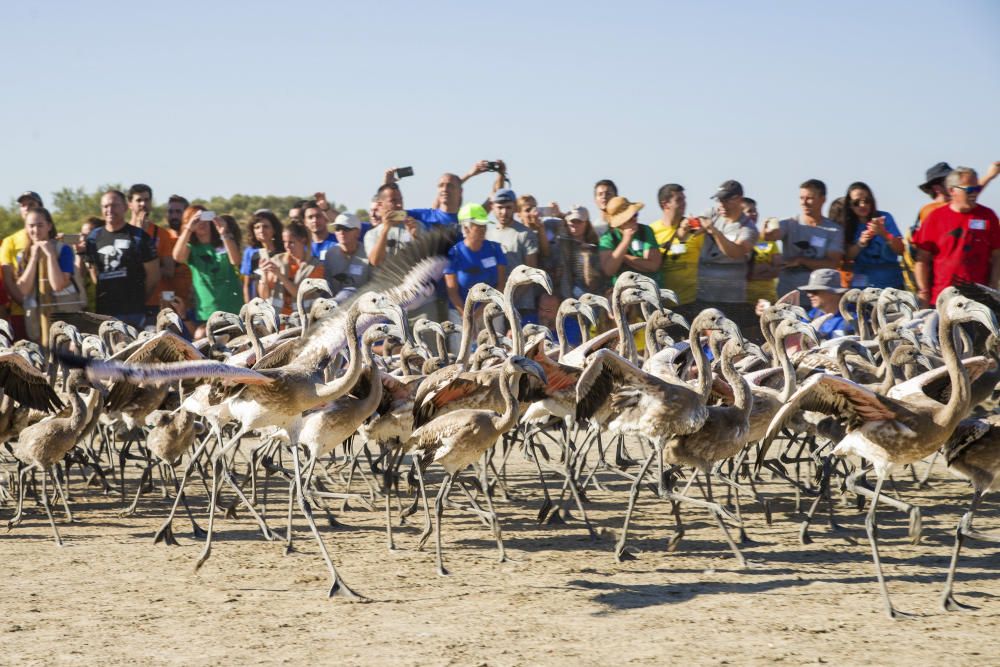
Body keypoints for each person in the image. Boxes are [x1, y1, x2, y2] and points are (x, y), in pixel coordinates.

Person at [912, 167, 1000, 307]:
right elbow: (922, 259)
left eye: (977, 189)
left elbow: (997, 256)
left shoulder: (988, 216)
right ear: (952, 190)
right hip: (943, 298)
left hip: (979, 299)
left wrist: (993, 286)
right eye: (969, 190)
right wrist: (923, 291)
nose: (975, 194)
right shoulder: (935, 217)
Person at [84, 190, 159, 327]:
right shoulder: (93, 238)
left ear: (125, 207)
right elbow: (94, 273)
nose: (109, 210)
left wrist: (138, 298)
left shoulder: (139, 236)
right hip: (105, 312)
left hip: (133, 312)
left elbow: (153, 276)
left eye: (114, 205)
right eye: (105, 206)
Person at [763, 179, 844, 303]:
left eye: (809, 198)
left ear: (822, 199)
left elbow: (832, 263)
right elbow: (772, 235)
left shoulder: (833, 230)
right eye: (801, 198)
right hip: (788, 294)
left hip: (818, 299)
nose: (804, 203)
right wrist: (766, 233)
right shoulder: (790, 223)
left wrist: (801, 261)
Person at [3, 207, 77, 341]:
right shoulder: (23, 255)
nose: (35, 230)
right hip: (37, 323)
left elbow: (58, 285)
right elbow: (23, 290)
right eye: (31, 226)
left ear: (49, 226)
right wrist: (33, 258)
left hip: (64, 320)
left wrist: (50, 256)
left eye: (40, 225)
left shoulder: (64, 249)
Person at [172, 207, 242, 337]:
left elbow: (235, 260)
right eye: (197, 220)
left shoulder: (225, 241)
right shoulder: (191, 248)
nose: (201, 223)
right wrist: (188, 229)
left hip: (232, 308)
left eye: (204, 218)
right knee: (205, 341)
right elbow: (177, 257)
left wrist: (223, 232)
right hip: (206, 310)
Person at [443, 204, 507, 331]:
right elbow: (452, 292)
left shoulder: (495, 249)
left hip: (491, 310)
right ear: (466, 228)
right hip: (460, 313)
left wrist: (479, 313)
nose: (483, 229)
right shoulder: (453, 253)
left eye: (484, 225)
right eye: (479, 226)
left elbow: (501, 285)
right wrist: (468, 317)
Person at [696, 180, 758, 305]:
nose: (722, 205)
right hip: (704, 295)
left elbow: (735, 253)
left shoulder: (748, 228)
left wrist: (715, 232)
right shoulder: (713, 214)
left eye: (726, 200)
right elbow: (691, 231)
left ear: (739, 199)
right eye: (719, 200)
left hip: (731, 299)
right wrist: (688, 227)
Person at [127, 183, 178, 320]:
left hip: (155, 303)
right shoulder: (122, 234)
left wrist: (151, 269)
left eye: (147, 200)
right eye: (138, 200)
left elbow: (169, 270)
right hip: (127, 302)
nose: (143, 203)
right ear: (130, 204)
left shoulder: (162, 234)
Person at [841, 182, 904, 289]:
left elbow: (901, 250)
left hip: (891, 284)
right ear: (850, 205)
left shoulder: (885, 218)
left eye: (866, 201)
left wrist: (884, 233)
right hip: (862, 287)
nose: (862, 205)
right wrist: (860, 243)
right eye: (856, 203)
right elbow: (845, 257)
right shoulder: (848, 224)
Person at [487, 188, 540, 316]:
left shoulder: (525, 234)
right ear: (492, 207)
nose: (504, 212)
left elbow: (531, 273)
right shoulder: (488, 234)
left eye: (508, 207)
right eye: (499, 207)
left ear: (515, 208)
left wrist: (510, 300)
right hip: (496, 306)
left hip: (522, 306)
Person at [649, 183, 702, 308]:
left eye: (684, 199)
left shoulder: (694, 228)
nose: (684, 203)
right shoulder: (651, 230)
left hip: (690, 302)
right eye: (679, 200)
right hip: (661, 304)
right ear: (665, 204)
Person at [0, 191, 44, 338]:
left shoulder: (50, 237)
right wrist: (24, 303)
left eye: (31, 204)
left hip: (50, 308)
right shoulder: (10, 241)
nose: (26, 208)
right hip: (21, 311)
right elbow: (8, 279)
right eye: (23, 205)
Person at [259, 221, 324, 316]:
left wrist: (280, 275)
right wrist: (264, 275)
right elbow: (264, 296)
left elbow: (300, 295)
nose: (287, 246)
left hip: (303, 323)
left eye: (291, 242)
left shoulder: (315, 266)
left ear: (303, 240)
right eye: (284, 242)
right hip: (278, 322)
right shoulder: (277, 260)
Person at [598, 196, 662, 287]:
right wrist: (626, 240)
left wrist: (623, 257)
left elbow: (653, 265)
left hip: (650, 288)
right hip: (623, 291)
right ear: (621, 222)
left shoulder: (646, 231)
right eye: (630, 217)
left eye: (635, 215)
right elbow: (609, 270)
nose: (634, 219)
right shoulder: (607, 239)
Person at [366, 184, 426, 267]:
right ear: (380, 205)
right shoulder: (372, 234)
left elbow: (425, 260)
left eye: (400, 200)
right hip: (387, 279)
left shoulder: (417, 226)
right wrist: (385, 231)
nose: (399, 205)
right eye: (393, 201)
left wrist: (415, 237)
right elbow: (375, 261)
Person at [556, 206, 605, 299]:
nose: (575, 224)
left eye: (579, 221)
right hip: (566, 297)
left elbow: (593, 283)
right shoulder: (563, 243)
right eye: (572, 221)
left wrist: (587, 256)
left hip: (589, 297)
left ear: (586, 223)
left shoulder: (595, 246)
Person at [324, 213, 370, 304]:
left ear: (358, 232)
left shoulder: (369, 253)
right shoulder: (330, 254)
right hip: (336, 308)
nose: (341, 232)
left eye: (346, 229)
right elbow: (327, 287)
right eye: (337, 229)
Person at [241, 209, 284, 302]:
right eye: (257, 227)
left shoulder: (284, 252)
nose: (261, 230)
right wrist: (248, 308)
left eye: (266, 226)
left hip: (282, 307)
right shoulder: (252, 254)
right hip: (259, 307)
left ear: (274, 229)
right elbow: (247, 285)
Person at [744, 198, 781, 305]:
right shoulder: (735, 239)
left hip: (769, 300)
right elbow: (742, 272)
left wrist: (754, 270)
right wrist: (765, 268)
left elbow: (778, 269)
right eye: (749, 211)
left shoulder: (767, 239)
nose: (754, 214)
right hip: (745, 300)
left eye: (755, 210)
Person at [799, 268, 852, 340]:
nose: (809, 295)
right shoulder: (812, 314)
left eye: (814, 291)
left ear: (833, 292)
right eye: (808, 291)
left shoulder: (852, 318)